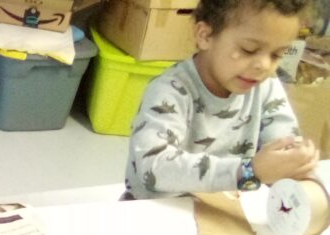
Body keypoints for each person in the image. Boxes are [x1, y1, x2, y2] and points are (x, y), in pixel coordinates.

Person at [123, 0, 319, 200]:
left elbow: (282, 143)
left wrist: (295, 160)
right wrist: (248, 171)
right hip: (154, 212)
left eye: (277, 55)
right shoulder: (170, 91)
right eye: (248, 49)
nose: (264, 65)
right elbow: (155, 168)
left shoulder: (266, 86)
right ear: (205, 35)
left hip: (222, 211)